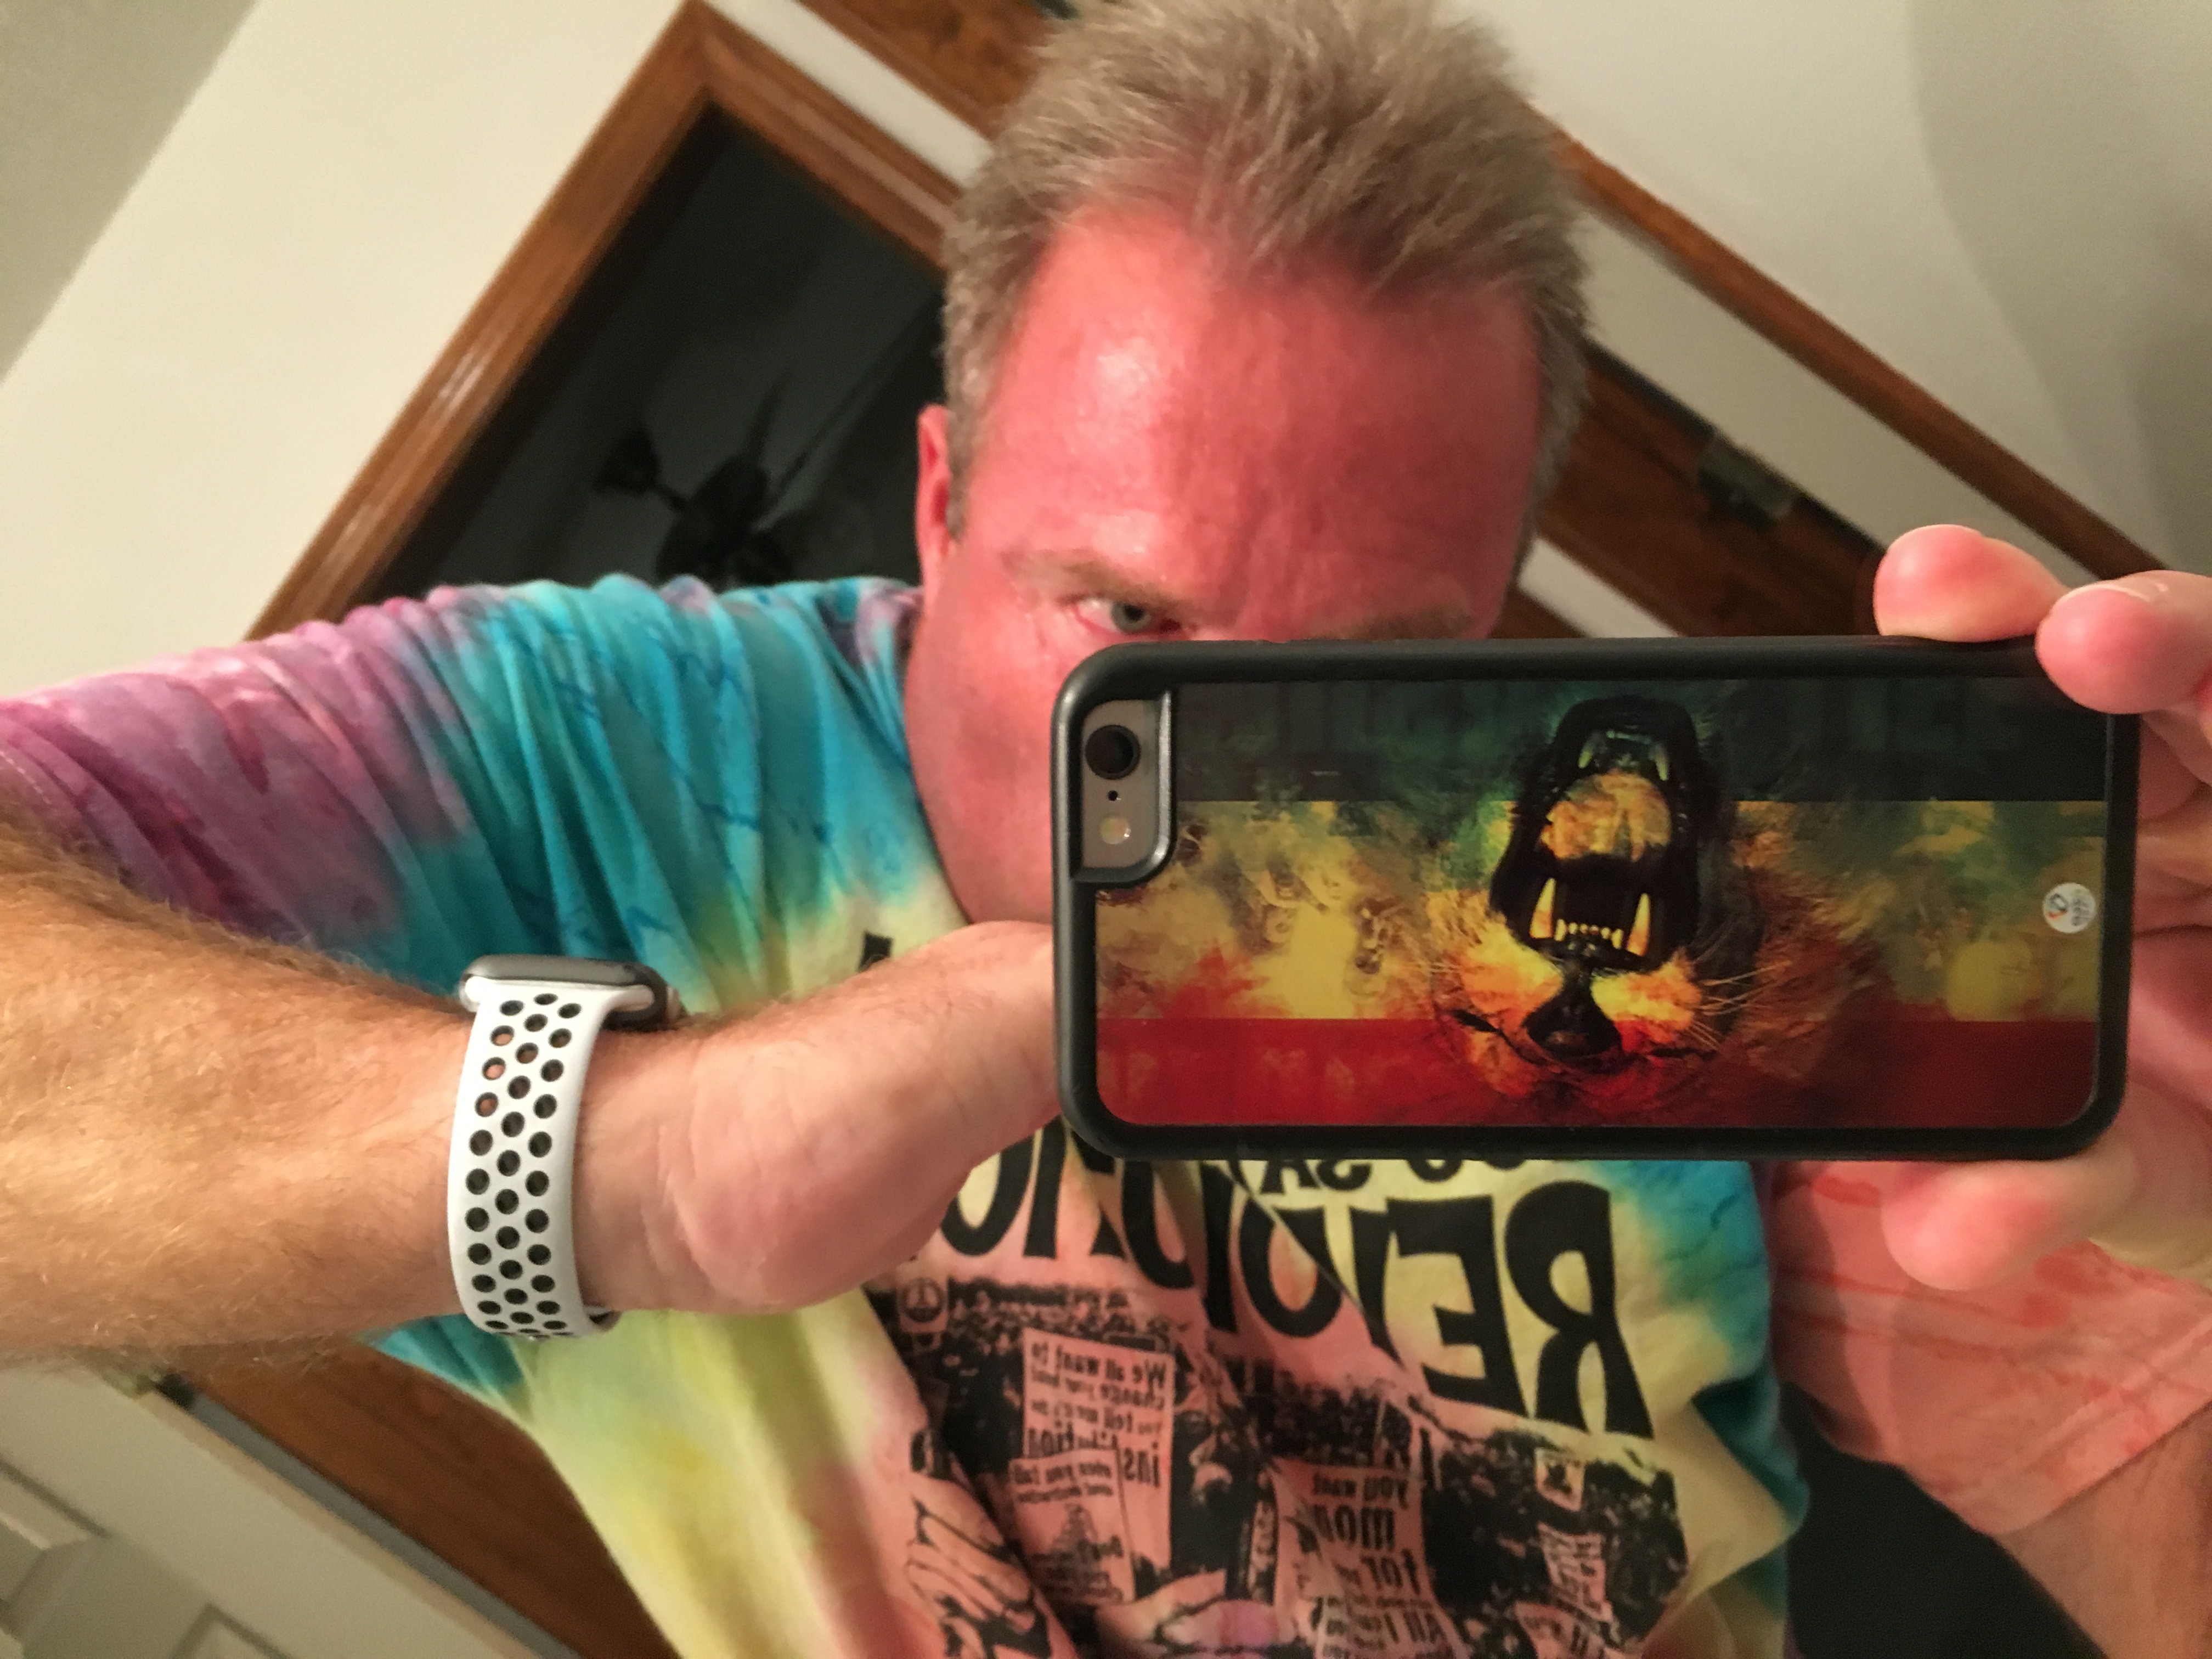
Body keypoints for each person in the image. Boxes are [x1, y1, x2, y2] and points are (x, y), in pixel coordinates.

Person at [2, 0, 2209, 1652]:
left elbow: (2137, 1451)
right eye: (1134, 627)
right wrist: (648, 1166)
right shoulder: (596, 773)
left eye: (1368, 677)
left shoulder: (1650, 877)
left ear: (1488, 625)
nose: (1255, 794)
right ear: (941, 500)